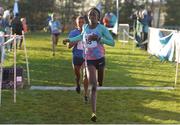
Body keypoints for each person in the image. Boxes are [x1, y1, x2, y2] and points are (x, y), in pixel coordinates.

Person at [63, 7, 115, 122]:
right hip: (89, 60)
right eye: (90, 15)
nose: (92, 16)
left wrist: (99, 38)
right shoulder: (85, 27)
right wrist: (69, 39)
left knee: (100, 82)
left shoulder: (102, 28)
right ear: (88, 17)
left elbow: (112, 42)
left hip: (100, 59)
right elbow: (81, 37)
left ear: (98, 17)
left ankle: (99, 81)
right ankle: (93, 113)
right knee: (94, 86)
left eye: (94, 15)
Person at [67, 16, 89, 102]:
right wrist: (78, 38)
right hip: (76, 57)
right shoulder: (73, 33)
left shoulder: (89, 32)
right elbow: (68, 46)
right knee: (78, 76)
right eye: (79, 22)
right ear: (76, 23)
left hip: (86, 57)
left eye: (83, 22)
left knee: (85, 75)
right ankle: (77, 84)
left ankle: (86, 94)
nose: (81, 24)